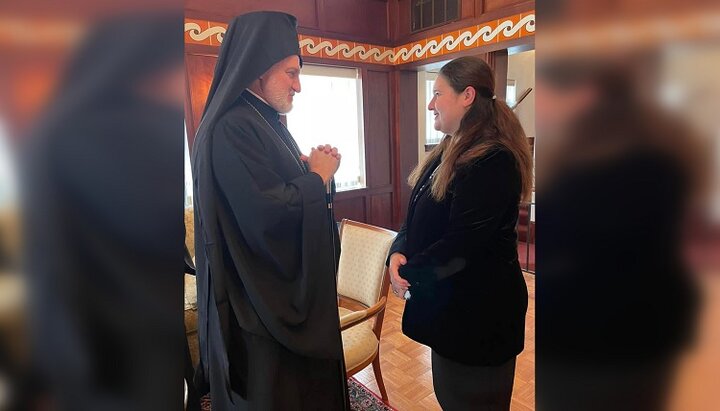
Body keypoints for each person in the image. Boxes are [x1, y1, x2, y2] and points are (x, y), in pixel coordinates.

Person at [191, 11, 349, 410]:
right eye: (291, 73)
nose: (299, 85)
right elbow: (264, 215)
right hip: (260, 306)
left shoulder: (262, 120)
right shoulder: (233, 127)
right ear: (257, 69)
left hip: (268, 298)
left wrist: (311, 174)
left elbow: (271, 191)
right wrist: (316, 178)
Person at [387, 56, 533, 410]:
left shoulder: (492, 159)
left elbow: (461, 246)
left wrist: (407, 274)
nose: (430, 104)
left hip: (480, 318)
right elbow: (415, 214)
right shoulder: (449, 148)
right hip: (452, 312)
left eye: (437, 94)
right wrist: (398, 250)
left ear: (467, 96)